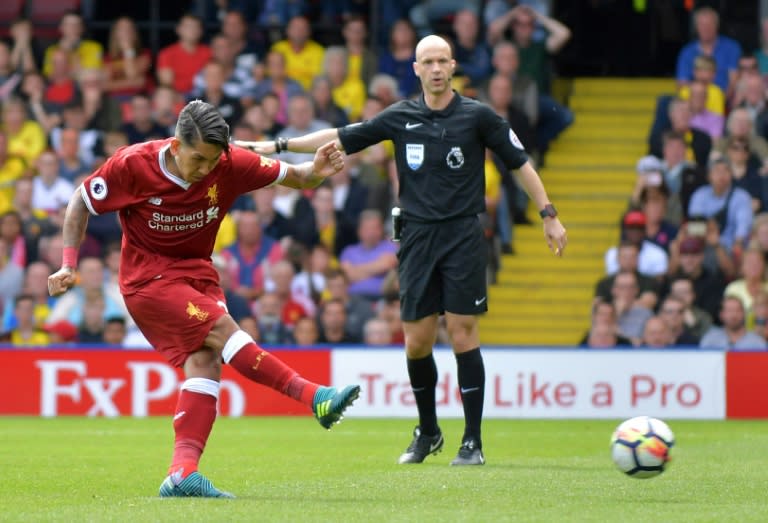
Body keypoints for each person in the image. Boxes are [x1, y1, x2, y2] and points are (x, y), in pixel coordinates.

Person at [236, 35, 567, 466]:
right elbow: (340, 135)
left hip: (463, 236)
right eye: (427, 61)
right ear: (416, 69)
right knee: (416, 342)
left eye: (442, 61)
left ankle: (472, 441)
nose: (434, 68)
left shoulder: (478, 117)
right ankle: (428, 431)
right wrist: (278, 146)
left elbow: (520, 162)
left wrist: (548, 214)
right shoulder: (400, 117)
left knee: (464, 330)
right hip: (416, 238)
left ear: (453, 66)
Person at [47, 100, 360, 498]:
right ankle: (314, 396)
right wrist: (69, 264)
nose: (206, 170)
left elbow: (297, 177)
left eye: (213, 160)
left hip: (197, 273)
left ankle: (181, 474)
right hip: (148, 280)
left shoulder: (229, 162)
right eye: (198, 159)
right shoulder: (132, 165)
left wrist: (317, 170)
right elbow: (80, 201)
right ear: (176, 145)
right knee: (223, 331)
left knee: (206, 364)